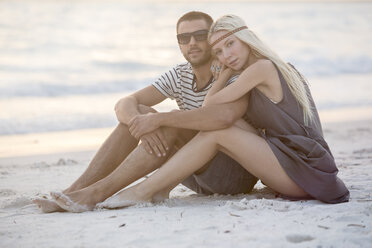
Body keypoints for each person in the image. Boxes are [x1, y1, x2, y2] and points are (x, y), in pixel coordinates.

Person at [92, 14, 350, 210]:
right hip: (294, 164)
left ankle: (144, 191)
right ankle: (148, 189)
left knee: (218, 131)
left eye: (230, 44)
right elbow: (216, 110)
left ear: (246, 39)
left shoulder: (261, 68)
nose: (226, 55)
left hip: (305, 171)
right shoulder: (261, 69)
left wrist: (223, 72)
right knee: (222, 125)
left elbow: (209, 105)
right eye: (219, 52)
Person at [34, 11, 257, 213]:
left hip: (232, 175)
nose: (192, 43)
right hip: (191, 173)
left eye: (200, 35)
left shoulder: (232, 73)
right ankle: (75, 190)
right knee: (140, 112)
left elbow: (223, 117)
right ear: (178, 44)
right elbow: (125, 102)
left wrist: (158, 120)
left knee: (166, 122)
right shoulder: (180, 75)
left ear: (211, 39)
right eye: (183, 38)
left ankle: (95, 194)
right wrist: (141, 126)